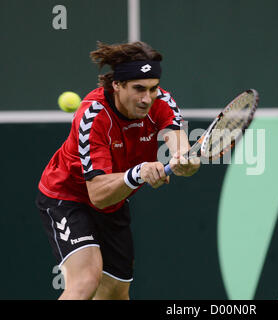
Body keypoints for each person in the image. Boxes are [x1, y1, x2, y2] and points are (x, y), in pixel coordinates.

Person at [35, 41, 200, 300]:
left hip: (114, 200)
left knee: (114, 294)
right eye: (138, 89)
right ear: (117, 85)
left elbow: (181, 148)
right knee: (86, 281)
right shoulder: (93, 116)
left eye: (153, 88)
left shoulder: (162, 102)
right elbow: (98, 193)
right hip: (67, 196)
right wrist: (138, 173)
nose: (147, 98)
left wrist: (185, 161)